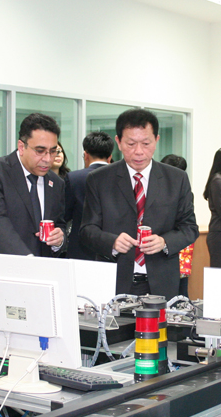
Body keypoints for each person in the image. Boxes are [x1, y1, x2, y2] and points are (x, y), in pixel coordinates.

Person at [80, 108, 198, 299]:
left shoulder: (177, 179)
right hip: (114, 280)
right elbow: (87, 229)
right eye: (131, 144)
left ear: (156, 140)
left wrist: (164, 242)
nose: (139, 151)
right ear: (118, 142)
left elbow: (189, 228)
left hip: (162, 282)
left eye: (146, 143)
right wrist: (112, 242)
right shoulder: (99, 179)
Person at [0, 113, 66, 313]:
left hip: (38, 287)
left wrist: (59, 239)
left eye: (53, 151)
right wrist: (28, 261)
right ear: (21, 146)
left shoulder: (56, 183)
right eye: (40, 151)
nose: (47, 159)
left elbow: (60, 223)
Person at [63, 131, 114, 260]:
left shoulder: (74, 178)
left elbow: (64, 214)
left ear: (86, 155)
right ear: (109, 157)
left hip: (80, 250)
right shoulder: (120, 179)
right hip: (111, 249)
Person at [161, 154, 194, 297]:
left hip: (177, 245)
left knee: (179, 291)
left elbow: (188, 226)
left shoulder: (184, 193)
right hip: (159, 249)